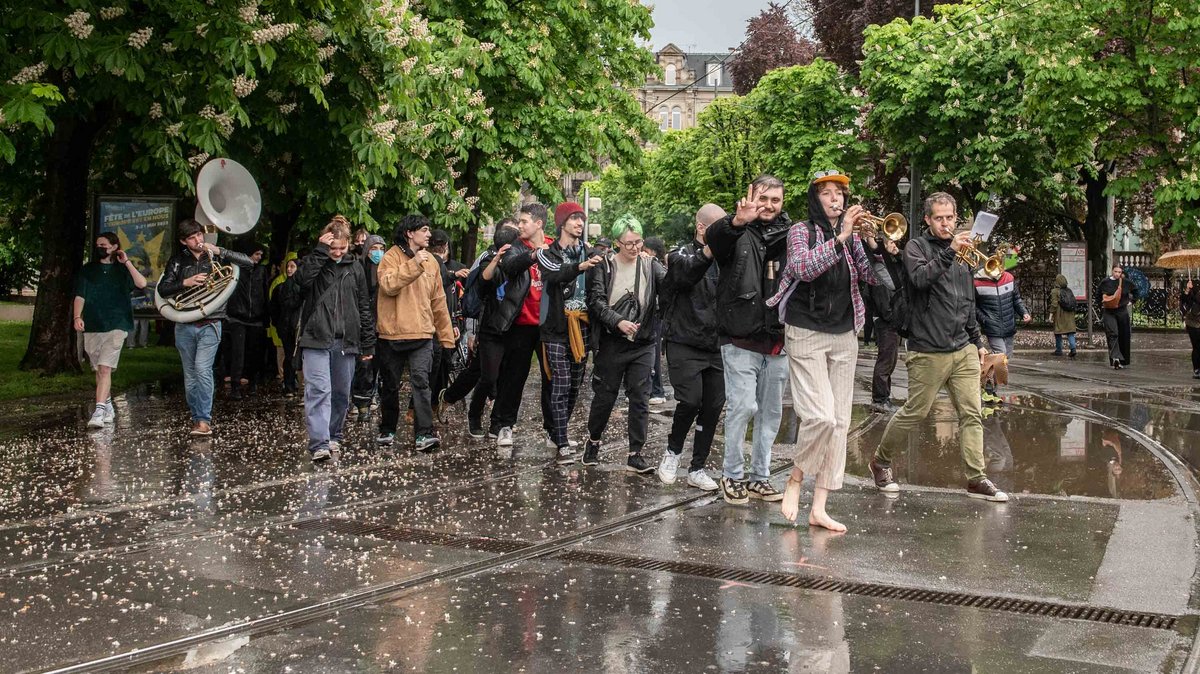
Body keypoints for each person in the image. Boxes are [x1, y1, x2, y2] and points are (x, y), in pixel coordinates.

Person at [868, 192, 1008, 502]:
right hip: (928, 348)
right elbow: (920, 279)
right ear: (928, 220)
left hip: (963, 348)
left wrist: (978, 341)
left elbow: (967, 301)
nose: (946, 223)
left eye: (950, 217)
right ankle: (880, 461)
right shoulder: (916, 247)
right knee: (915, 411)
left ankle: (977, 478)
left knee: (972, 413)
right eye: (939, 218)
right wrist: (950, 252)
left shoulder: (964, 256)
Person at [766, 170, 879, 532]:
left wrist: (873, 245)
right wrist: (840, 238)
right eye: (827, 193)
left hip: (845, 332)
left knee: (840, 423)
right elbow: (803, 267)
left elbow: (872, 277)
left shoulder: (854, 236)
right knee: (821, 418)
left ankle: (819, 508)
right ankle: (796, 478)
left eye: (840, 194)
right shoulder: (802, 230)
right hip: (806, 330)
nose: (835, 199)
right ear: (815, 198)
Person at [706, 175, 792, 506]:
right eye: (763, 198)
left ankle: (760, 477)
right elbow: (715, 240)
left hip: (777, 339)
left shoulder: (792, 233)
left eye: (775, 200)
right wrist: (736, 221)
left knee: (770, 414)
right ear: (751, 196)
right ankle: (731, 474)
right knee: (743, 406)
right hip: (739, 335)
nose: (769, 205)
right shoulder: (736, 229)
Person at [582, 215, 666, 473]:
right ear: (617, 242)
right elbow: (595, 301)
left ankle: (635, 453)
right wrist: (617, 321)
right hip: (612, 342)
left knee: (640, 397)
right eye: (628, 243)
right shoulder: (604, 266)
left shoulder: (650, 265)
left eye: (638, 242)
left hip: (643, 342)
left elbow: (671, 285)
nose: (634, 247)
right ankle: (593, 441)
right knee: (605, 397)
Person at [158, 220, 257, 435]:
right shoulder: (177, 261)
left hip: (211, 322)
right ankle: (197, 418)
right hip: (184, 323)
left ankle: (203, 420)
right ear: (183, 241)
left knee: (202, 370)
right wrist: (185, 283)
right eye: (192, 237)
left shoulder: (216, 256)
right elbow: (163, 289)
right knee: (190, 376)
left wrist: (220, 250)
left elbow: (249, 263)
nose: (198, 240)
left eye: (199, 235)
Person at [656, 204, 727, 490]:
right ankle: (672, 452)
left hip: (717, 344)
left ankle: (698, 467)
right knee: (690, 401)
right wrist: (709, 252)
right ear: (701, 227)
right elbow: (685, 275)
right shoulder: (680, 255)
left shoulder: (728, 258)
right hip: (684, 340)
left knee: (713, 406)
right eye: (719, 228)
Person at [294, 217, 376, 461]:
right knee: (319, 390)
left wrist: (368, 342)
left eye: (342, 248)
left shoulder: (356, 268)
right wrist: (320, 252)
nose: (337, 252)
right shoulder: (316, 261)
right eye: (333, 248)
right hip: (316, 336)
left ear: (349, 244)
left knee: (341, 392)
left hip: (345, 340)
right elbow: (300, 284)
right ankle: (319, 443)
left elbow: (363, 305)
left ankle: (333, 435)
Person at [374, 214, 456, 451]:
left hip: (422, 335)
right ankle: (387, 429)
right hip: (392, 335)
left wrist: (447, 338)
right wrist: (414, 264)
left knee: (421, 383)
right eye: (424, 229)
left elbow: (438, 301)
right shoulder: (390, 257)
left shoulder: (432, 261)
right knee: (390, 385)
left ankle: (424, 434)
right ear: (410, 233)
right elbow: (388, 285)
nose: (429, 234)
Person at [537, 202, 603, 463]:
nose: (580, 223)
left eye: (581, 219)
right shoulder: (548, 252)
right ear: (562, 223)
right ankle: (562, 442)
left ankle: (558, 432)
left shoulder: (589, 251)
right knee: (561, 382)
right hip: (555, 327)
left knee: (575, 384)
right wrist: (580, 267)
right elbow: (554, 274)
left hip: (582, 326)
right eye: (574, 218)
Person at [491, 203, 555, 447]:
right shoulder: (515, 246)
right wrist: (534, 255)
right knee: (514, 377)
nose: (519, 226)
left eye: (524, 221)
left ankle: (553, 430)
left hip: (549, 324)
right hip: (521, 323)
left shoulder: (555, 246)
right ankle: (504, 425)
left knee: (551, 378)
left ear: (539, 223)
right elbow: (509, 266)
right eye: (519, 221)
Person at [454, 220, 521, 438]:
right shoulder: (488, 261)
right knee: (488, 376)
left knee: (507, 378)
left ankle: (497, 422)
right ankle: (474, 414)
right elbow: (484, 281)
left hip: (514, 328)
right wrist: (497, 259)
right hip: (491, 329)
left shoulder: (520, 263)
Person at [74, 232, 148, 428]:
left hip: (117, 324)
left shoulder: (123, 270)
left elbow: (141, 283)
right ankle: (107, 404)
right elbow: (80, 295)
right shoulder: (88, 270)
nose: (100, 248)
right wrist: (77, 316)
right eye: (98, 245)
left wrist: (127, 262)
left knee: (105, 368)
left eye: (104, 245)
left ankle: (98, 411)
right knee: (99, 369)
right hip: (93, 324)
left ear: (115, 247)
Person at [973, 262, 1030, 402]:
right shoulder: (977, 282)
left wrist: (1024, 312)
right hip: (992, 327)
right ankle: (988, 389)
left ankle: (991, 389)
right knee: (1000, 357)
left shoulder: (1008, 278)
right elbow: (973, 306)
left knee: (1004, 359)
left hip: (1008, 326)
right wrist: (984, 319)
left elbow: (1016, 299)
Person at [222, 242, 270, 399]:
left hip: (256, 317)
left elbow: (264, 293)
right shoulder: (237, 269)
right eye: (256, 254)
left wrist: (265, 316)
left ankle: (253, 382)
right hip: (238, 316)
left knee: (254, 352)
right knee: (238, 353)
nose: (259, 257)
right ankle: (235, 385)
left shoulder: (262, 271)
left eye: (261, 254)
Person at [428, 229, 468, 415]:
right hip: (429, 323)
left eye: (441, 245)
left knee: (444, 364)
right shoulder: (427, 264)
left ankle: (438, 401)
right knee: (429, 368)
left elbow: (455, 300)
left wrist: (454, 323)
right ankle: (418, 407)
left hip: (449, 323)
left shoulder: (456, 267)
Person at [350, 234, 386, 416]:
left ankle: (371, 395)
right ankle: (359, 398)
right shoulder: (359, 269)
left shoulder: (386, 270)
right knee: (362, 364)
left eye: (381, 249)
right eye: (373, 248)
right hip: (362, 324)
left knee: (377, 363)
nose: (378, 253)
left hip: (381, 324)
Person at [868, 238, 904, 414]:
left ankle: (883, 397)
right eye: (890, 243)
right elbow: (882, 299)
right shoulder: (879, 268)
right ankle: (880, 400)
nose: (894, 245)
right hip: (886, 322)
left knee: (890, 360)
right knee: (886, 361)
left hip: (891, 321)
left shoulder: (890, 266)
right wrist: (892, 318)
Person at [643, 236, 669, 405]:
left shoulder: (653, 264)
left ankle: (656, 390)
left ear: (651, 251)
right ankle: (653, 390)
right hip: (655, 315)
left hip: (654, 315)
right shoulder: (657, 264)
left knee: (653, 354)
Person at [1100, 265, 1132, 369]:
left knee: (1123, 335)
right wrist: (1102, 305)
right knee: (1112, 333)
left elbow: (1135, 290)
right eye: (1115, 271)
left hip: (1121, 311)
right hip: (1109, 311)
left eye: (1119, 272)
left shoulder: (1125, 282)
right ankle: (1115, 358)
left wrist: (1131, 301)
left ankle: (1122, 359)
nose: (1117, 274)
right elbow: (1098, 294)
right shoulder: (1105, 282)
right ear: (1112, 271)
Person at [1050, 274, 1078, 358]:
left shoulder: (1055, 291)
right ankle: (1073, 349)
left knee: (1058, 332)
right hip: (1069, 314)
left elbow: (1054, 304)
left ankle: (1059, 350)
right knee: (1070, 332)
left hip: (1060, 314)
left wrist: (1050, 315)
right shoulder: (1069, 290)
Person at [1182, 279, 1200, 379]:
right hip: (1193, 323)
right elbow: (1184, 300)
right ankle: (1197, 370)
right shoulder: (1195, 289)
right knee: (1197, 346)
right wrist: (1188, 290)